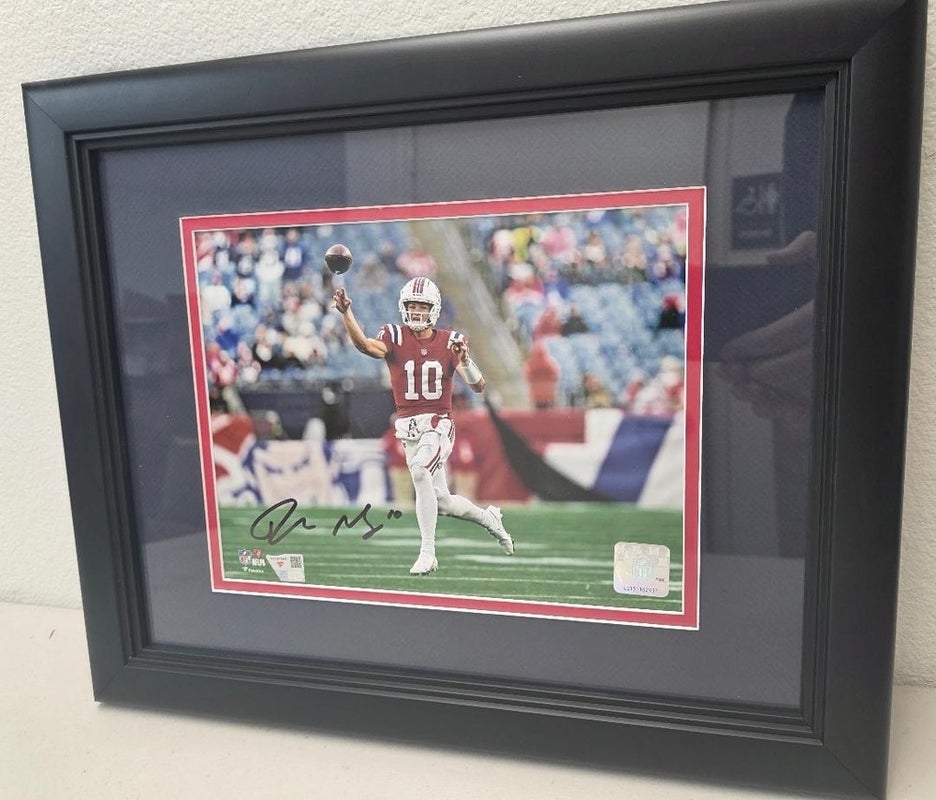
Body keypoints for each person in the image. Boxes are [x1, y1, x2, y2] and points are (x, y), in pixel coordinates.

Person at [333, 277, 514, 575]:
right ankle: (489, 519)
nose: (416, 311)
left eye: (422, 306)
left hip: (439, 424)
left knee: (419, 470)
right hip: (409, 428)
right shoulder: (394, 335)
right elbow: (365, 346)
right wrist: (346, 313)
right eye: (412, 306)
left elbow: (479, 385)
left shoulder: (450, 340)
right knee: (443, 503)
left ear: (434, 309)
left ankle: (428, 552)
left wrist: (465, 359)